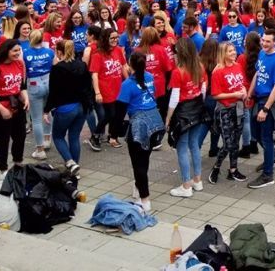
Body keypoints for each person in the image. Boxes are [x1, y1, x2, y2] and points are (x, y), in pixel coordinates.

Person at [115, 51, 165, 213]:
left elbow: (119, 111)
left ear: (130, 65)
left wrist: (114, 133)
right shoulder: (150, 77)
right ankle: (139, 187)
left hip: (139, 126)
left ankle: (144, 199)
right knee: (145, 159)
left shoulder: (127, 85)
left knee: (138, 164)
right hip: (155, 122)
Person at [166, 37, 208, 198]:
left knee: (182, 148)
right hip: (197, 108)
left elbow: (175, 98)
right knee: (194, 145)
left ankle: (186, 185)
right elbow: (203, 90)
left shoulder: (178, 72)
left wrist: (168, 118)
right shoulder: (200, 67)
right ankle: (197, 180)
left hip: (183, 112)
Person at [44, 39, 92, 177]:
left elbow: (53, 92)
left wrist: (46, 110)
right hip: (81, 107)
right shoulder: (82, 65)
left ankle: (70, 162)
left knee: (58, 136)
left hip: (65, 108)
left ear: (59, 52)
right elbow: (88, 86)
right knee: (74, 137)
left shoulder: (57, 69)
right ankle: (74, 171)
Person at [248, 30, 275, 189]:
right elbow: (258, 73)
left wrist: (265, 109)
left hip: (269, 101)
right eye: (263, 40)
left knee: (266, 137)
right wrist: (249, 93)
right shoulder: (262, 53)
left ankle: (268, 175)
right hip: (258, 98)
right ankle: (273, 157)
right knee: (255, 133)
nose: (264, 43)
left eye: (268, 41)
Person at [208, 43, 248, 184]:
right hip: (225, 110)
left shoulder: (238, 66)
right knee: (228, 144)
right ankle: (216, 167)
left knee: (236, 141)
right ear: (223, 54)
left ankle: (233, 170)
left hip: (239, 108)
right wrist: (234, 94)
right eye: (230, 51)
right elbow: (215, 95)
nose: (234, 53)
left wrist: (244, 91)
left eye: (234, 50)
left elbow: (242, 83)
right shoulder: (218, 71)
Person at [89, 27, 128, 148]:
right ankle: (95, 135)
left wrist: (129, 81)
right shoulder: (98, 54)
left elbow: (123, 66)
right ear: (106, 39)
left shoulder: (118, 50)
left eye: (117, 37)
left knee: (118, 114)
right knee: (110, 114)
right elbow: (94, 74)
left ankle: (112, 137)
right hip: (105, 89)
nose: (115, 40)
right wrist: (97, 92)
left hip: (118, 88)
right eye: (112, 38)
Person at [0, 39, 28, 176]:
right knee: (3, 141)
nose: (18, 53)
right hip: (0, 109)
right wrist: (2, 110)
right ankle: (3, 170)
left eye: (19, 50)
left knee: (20, 136)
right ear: (6, 51)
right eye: (15, 51)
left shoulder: (20, 64)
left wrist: (26, 98)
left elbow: (22, 86)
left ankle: (18, 163)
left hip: (17, 106)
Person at [23, 29, 55, 160]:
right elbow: (55, 67)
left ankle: (40, 150)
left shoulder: (25, 53)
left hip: (34, 84)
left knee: (36, 119)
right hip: (48, 81)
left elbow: (23, 73)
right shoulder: (50, 52)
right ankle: (47, 139)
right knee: (47, 112)